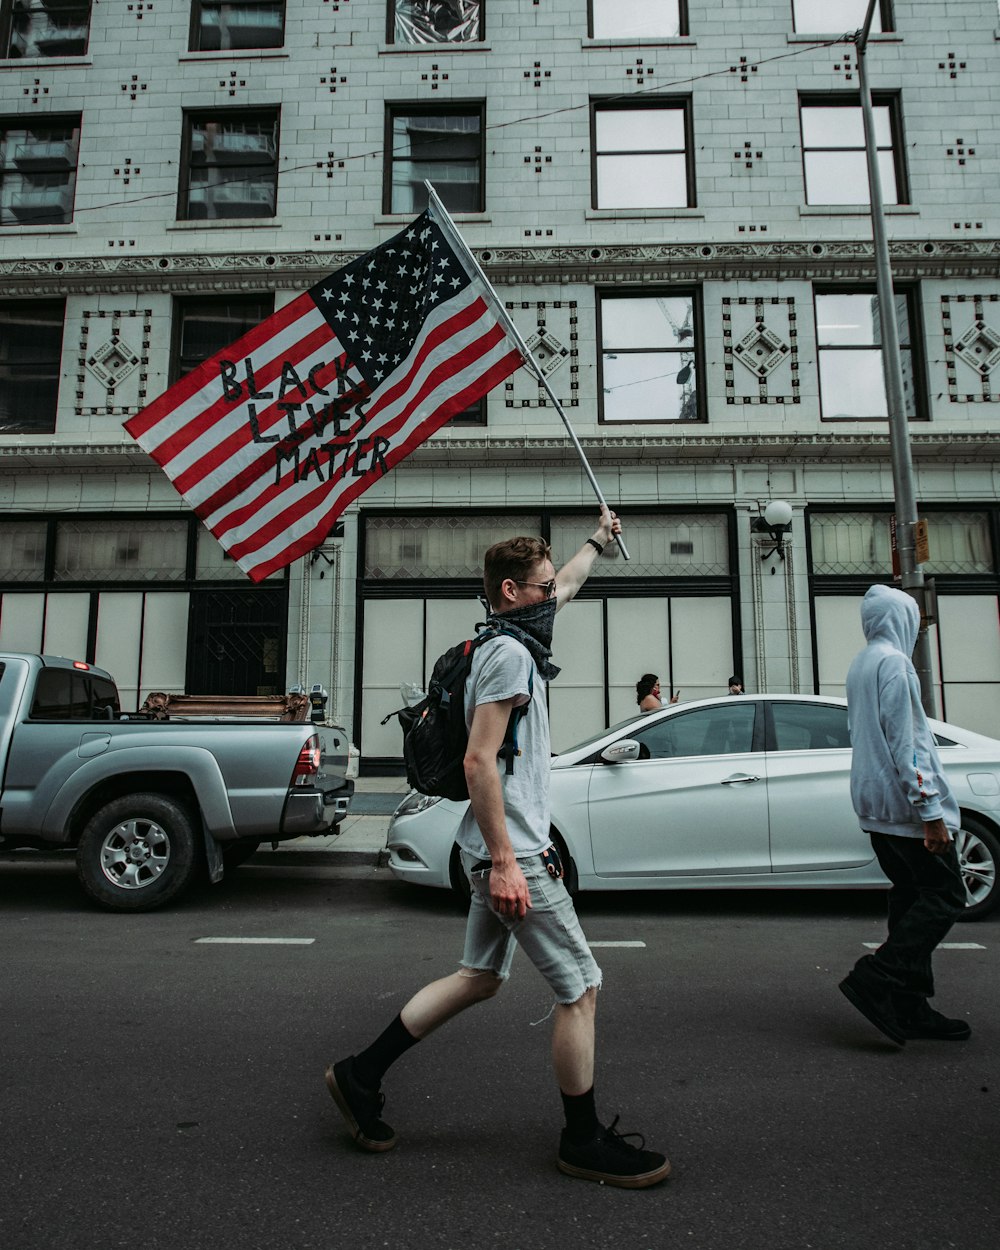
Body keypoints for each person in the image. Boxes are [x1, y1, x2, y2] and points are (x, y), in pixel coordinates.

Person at [326, 507, 671, 1188]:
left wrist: (598, 542)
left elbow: (568, 585)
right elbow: (479, 764)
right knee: (582, 988)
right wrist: (511, 862)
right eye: (540, 587)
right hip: (512, 855)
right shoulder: (509, 655)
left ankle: (360, 1075)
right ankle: (582, 1140)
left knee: (479, 977)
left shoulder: (508, 636)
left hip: (491, 852)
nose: (553, 595)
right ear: (511, 591)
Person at [838, 584, 971, 1045]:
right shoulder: (895, 664)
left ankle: (909, 1004)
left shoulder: (862, 662)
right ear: (902, 620)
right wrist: (931, 810)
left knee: (911, 897)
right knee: (947, 895)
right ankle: (879, 975)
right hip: (906, 807)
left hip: (875, 805)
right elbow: (909, 741)